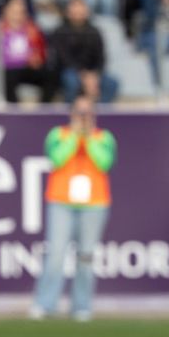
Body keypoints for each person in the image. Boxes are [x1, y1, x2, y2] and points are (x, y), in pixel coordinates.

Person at [31, 95, 114, 321]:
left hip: (94, 204)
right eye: (79, 112)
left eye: (87, 113)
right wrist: (75, 136)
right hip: (61, 201)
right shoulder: (58, 135)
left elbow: (103, 162)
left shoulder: (103, 137)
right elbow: (57, 158)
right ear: (72, 114)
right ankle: (45, 304)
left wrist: (87, 139)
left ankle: (82, 306)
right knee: (56, 254)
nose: (83, 117)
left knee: (86, 256)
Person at [49, 0, 117, 103]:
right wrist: (83, 75)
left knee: (112, 83)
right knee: (71, 81)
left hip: (92, 72)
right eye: (75, 9)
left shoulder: (95, 32)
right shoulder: (59, 32)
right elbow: (63, 59)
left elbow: (101, 58)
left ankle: (98, 113)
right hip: (69, 71)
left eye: (81, 9)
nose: (78, 12)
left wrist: (94, 75)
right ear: (68, 12)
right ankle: (72, 113)